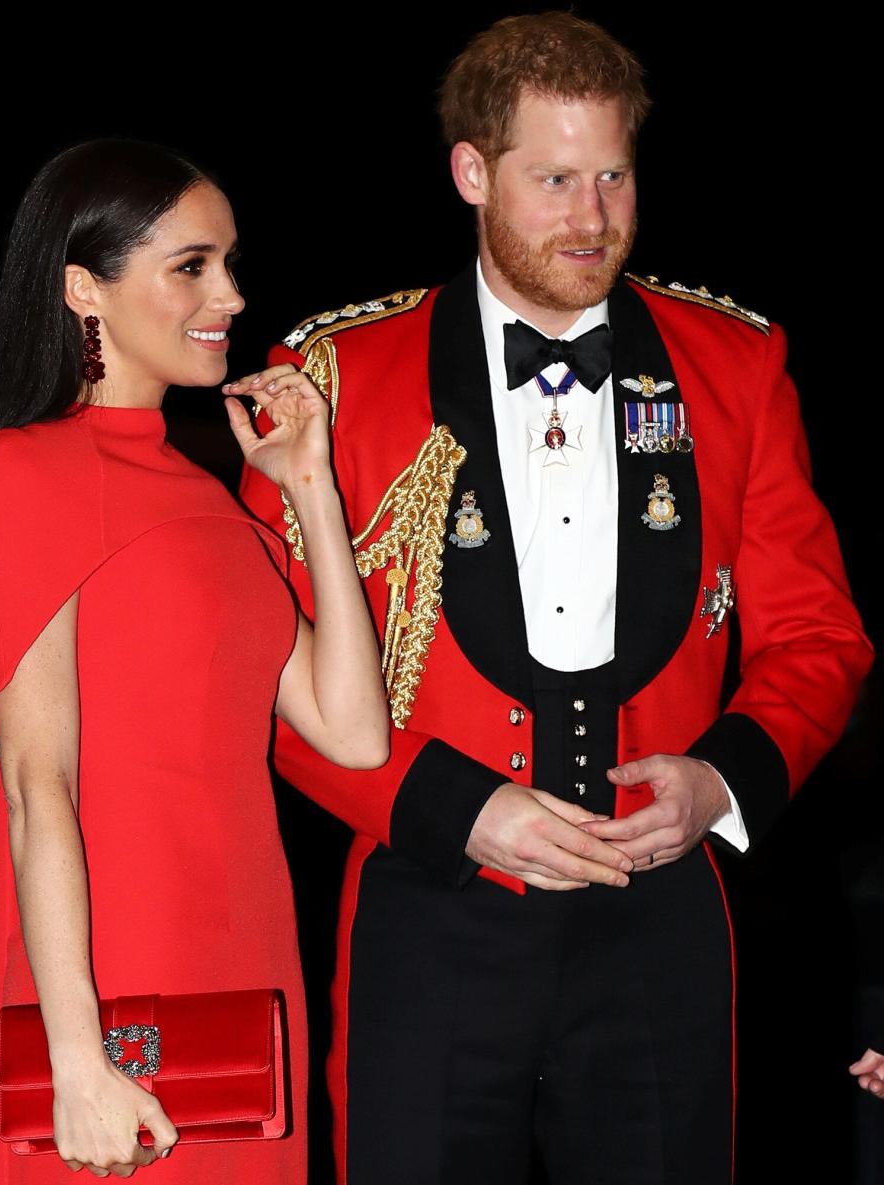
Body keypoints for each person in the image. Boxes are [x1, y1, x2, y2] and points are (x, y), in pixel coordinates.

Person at [235, 12, 875, 1185]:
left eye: (614, 176)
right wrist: (452, 810)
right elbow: (260, 672)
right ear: (472, 173)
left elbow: (819, 637)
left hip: (664, 923)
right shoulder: (336, 377)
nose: (593, 218)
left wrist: (721, 778)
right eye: (555, 178)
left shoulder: (734, 362)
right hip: (429, 914)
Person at [0, 139, 388, 1184]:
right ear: (81, 291)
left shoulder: (210, 503)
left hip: (246, 981)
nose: (229, 294)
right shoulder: (26, 477)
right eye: (192, 265)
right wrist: (73, 1058)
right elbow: (32, 784)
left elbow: (354, 734)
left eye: (229, 263)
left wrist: (310, 489)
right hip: (108, 1005)